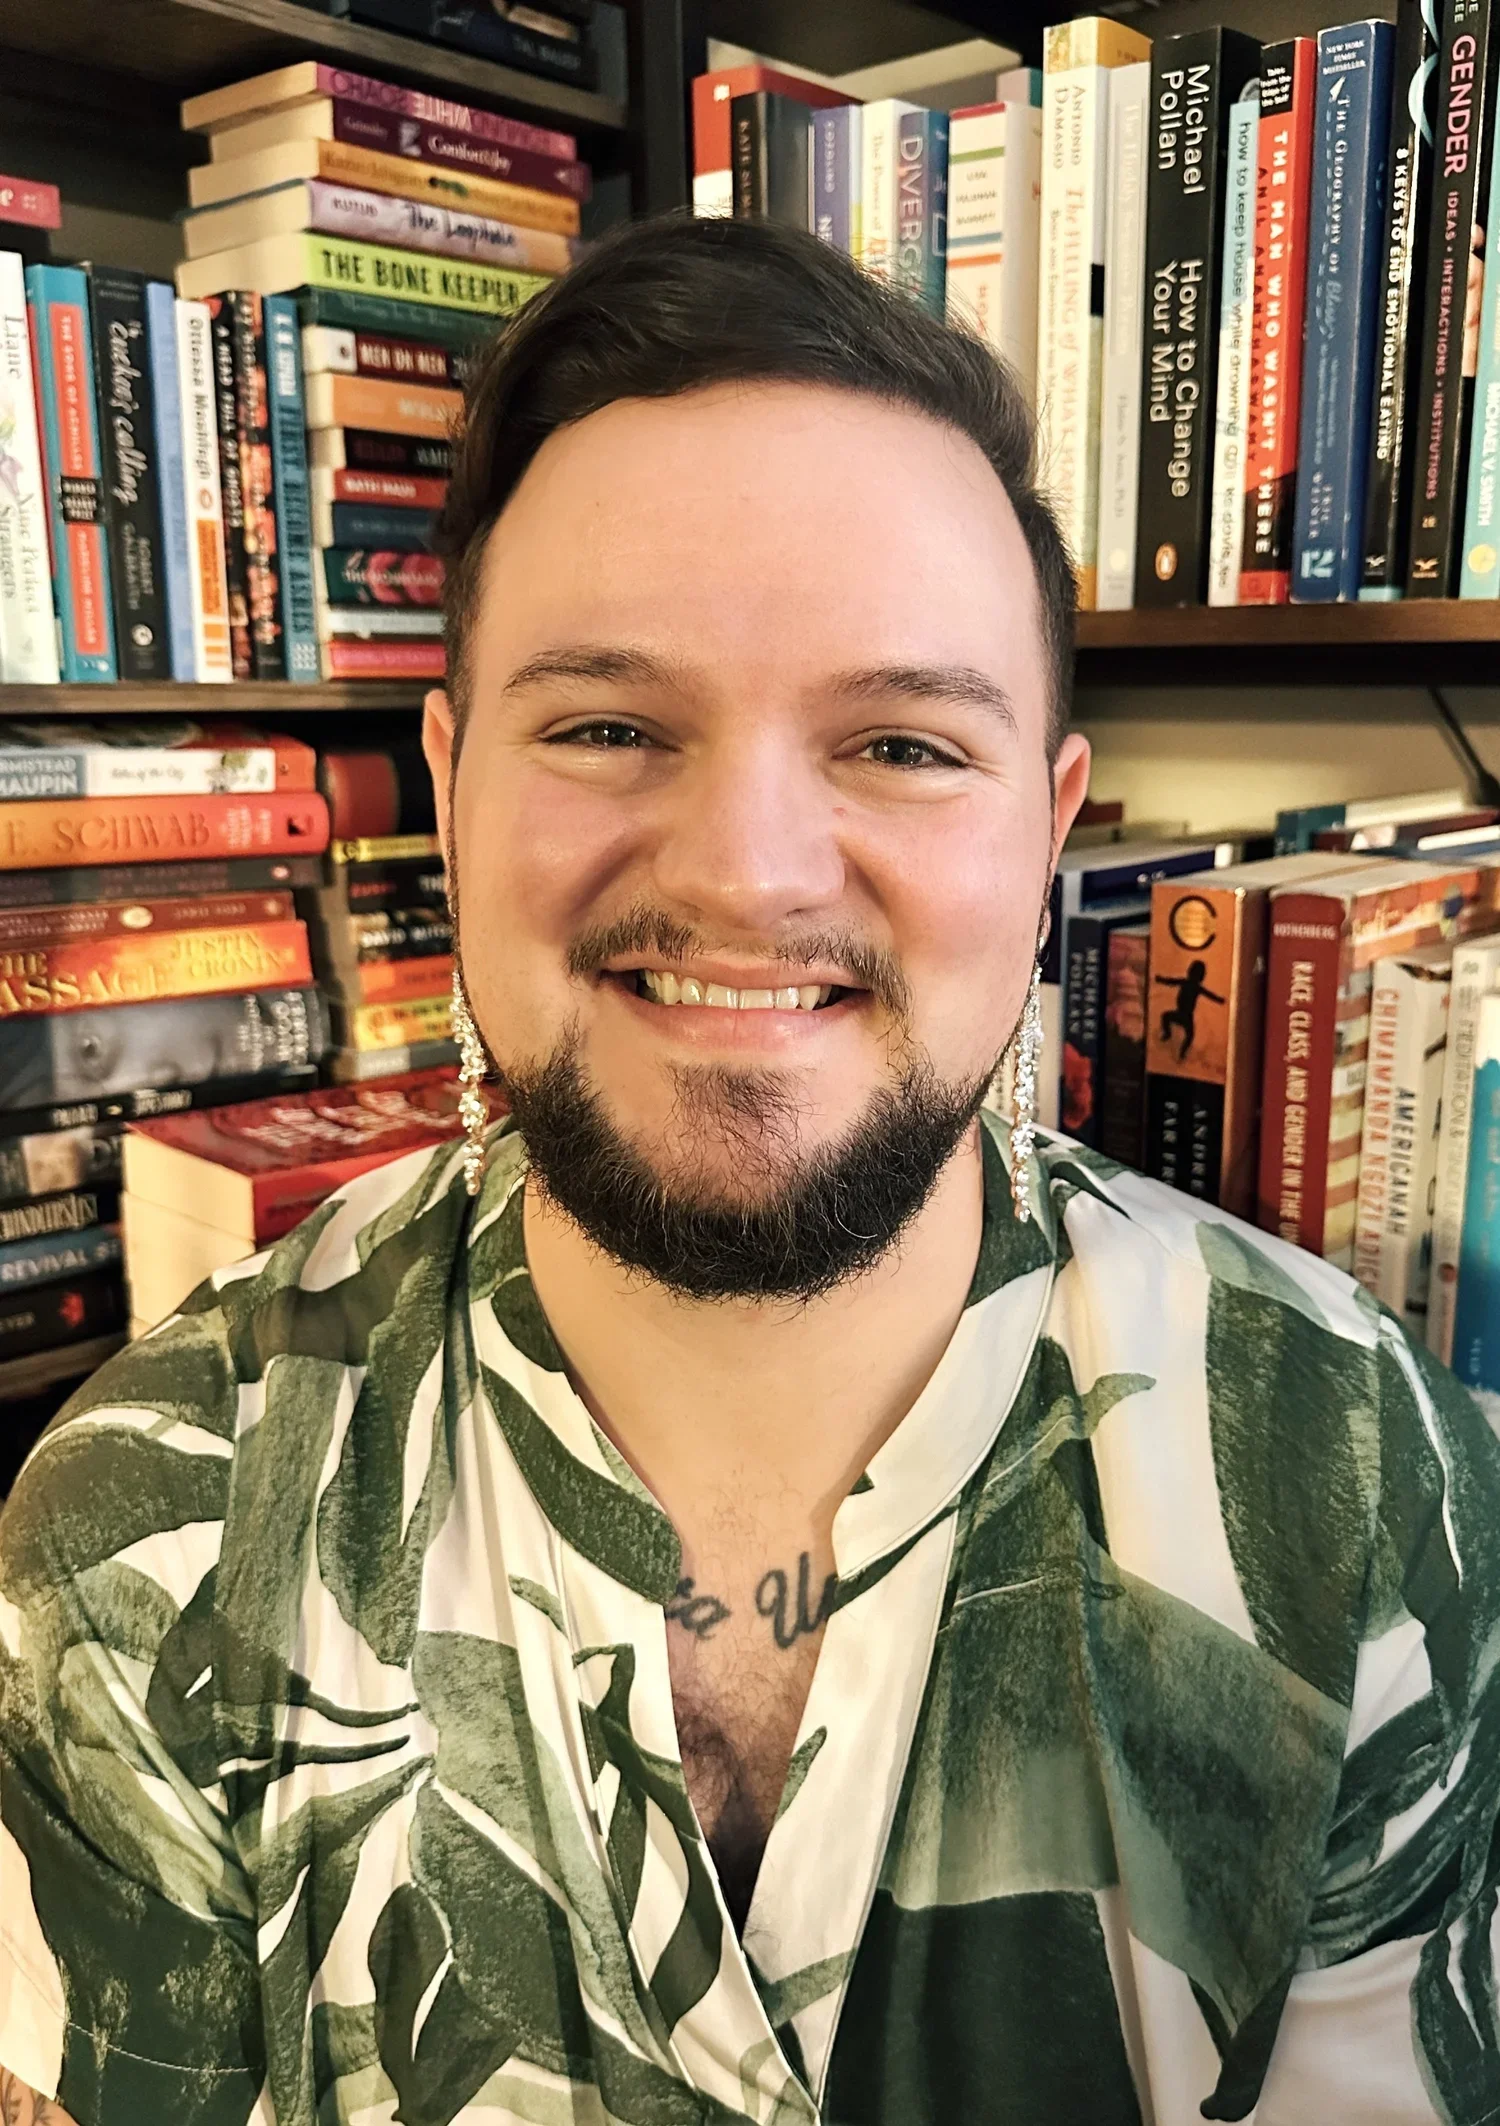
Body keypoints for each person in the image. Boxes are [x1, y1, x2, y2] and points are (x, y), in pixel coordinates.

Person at [1, 214, 1497, 2126]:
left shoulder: (1364, 1479)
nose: (749, 872)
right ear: (448, 792)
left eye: (902, 744)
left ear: (1048, 835)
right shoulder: (146, 1532)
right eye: (610, 726)